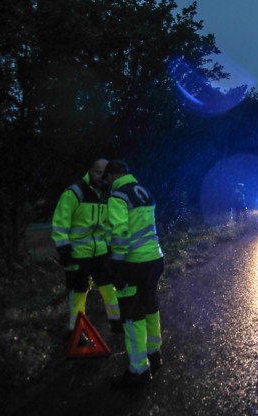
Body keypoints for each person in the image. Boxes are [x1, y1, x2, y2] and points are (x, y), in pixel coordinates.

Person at [104, 160, 164, 389]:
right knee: (150, 306)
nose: (107, 182)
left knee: (131, 315)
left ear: (112, 175)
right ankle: (154, 353)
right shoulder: (144, 192)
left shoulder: (118, 196)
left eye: (107, 177)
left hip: (133, 263)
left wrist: (117, 265)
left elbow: (119, 233)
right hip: (154, 259)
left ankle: (138, 370)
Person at [51, 158, 121, 336]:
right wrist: (64, 248)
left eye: (105, 173)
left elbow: (107, 225)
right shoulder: (74, 192)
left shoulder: (105, 195)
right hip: (77, 252)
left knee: (109, 287)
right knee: (78, 291)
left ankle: (116, 323)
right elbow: (60, 222)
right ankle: (76, 330)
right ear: (90, 170)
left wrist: (111, 247)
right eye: (98, 172)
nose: (102, 176)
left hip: (100, 251)